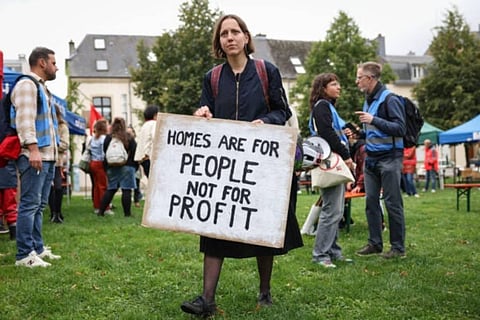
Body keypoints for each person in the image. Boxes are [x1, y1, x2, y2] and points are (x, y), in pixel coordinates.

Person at [180, 14, 303, 317]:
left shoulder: (266, 71)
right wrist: (202, 114)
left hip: (261, 161)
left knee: (263, 225)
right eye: (224, 34)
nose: (230, 37)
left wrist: (266, 121)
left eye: (235, 32)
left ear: (246, 38)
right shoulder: (211, 77)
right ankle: (207, 300)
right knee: (214, 226)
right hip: (225, 165)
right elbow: (205, 110)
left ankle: (265, 292)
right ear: (219, 42)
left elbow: (282, 111)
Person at [11, 47, 61, 267]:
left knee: (39, 205)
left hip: (46, 155)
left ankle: (37, 248)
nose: (56, 66)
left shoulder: (43, 89)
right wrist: (32, 149)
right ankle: (24, 254)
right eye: (53, 62)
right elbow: (25, 120)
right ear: (42, 63)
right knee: (29, 204)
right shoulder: (27, 85)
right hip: (34, 154)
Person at [354, 61, 407, 259]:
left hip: (390, 158)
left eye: (359, 77)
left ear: (370, 78)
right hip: (372, 158)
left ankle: (398, 248)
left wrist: (373, 120)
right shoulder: (368, 99)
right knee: (371, 202)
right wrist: (359, 133)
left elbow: (400, 128)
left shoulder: (389, 99)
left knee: (393, 203)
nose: (357, 81)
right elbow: (374, 131)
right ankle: (375, 243)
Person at [308, 73, 354, 268]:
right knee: (331, 209)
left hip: (332, 161)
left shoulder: (327, 108)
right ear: (323, 88)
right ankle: (320, 254)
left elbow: (331, 131)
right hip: (331, 161)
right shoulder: (323, 107)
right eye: (334, 84)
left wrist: (346, 134)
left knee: (337, 209)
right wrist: (346, 154)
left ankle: (333, 250)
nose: (339, 87)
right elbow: (326, 133)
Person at [98, 117, 137, 217]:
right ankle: (127, 214)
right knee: (126, 190)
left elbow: (105, 151)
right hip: (127, 166)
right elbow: (134, 150)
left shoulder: (109, 137)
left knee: (111, 189)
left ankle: (101, 211)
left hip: (111, 166)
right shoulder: (128, 137)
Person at [48, 104, 70, 223]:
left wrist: (51, 145)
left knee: (58, 187)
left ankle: (58, 211)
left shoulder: (62, 127)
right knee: (49, 188)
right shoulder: (45, 125)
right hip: (45, 160)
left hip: (57, 162)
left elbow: (65, 144)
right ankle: (53, 212)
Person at [89, 119, 112, 215]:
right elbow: (104, 152)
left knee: (96, 186)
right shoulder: (103, 139)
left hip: (93, 162)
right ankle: (105, 208)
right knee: (103, 186)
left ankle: (96, 205)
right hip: (100, 163)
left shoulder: (93, 138)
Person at [133, 105, 159, 178]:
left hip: (142, 158)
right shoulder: (154, 124)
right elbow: (155, 138)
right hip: (150, 157)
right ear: (155, 115)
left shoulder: (144, 126)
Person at [0, 160, 18, 240]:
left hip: (8, 171)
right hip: (9, 172)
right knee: (10, 205)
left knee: (10, 204)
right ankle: (14, 233)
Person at [127, 125, 142, 207]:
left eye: (130, 132)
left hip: (135, 166)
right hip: (129, 166)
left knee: (136, 184)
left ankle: (136, 200)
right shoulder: (125, 142)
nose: (129, 133)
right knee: (127, 187)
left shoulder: (136, 142)